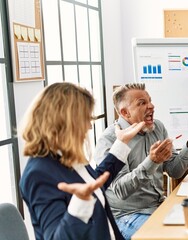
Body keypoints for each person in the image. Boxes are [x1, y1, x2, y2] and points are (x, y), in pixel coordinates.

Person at [19, 82, 145, 240]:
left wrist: (121, 144)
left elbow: (95, 184)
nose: (89, 126)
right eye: (85, 119)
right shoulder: (39, 174)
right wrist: (80, 202)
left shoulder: (66, 156)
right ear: (64, 121)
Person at [95, 83, 188, 239]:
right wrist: (151, 161)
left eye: (150, 101)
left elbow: (174, 170)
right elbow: (121, 191)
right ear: (125, 113)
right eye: (142, 103)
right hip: (127, 215)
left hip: (160, 206)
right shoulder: (109, 140)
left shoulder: (157, 127)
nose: (151, 106)